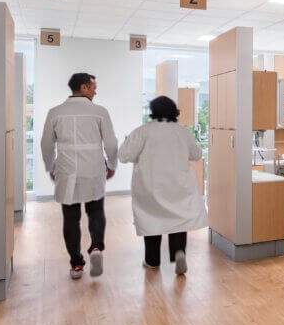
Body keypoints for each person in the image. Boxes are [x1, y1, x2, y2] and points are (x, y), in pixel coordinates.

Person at [118, 95, 207, 275]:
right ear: (174, 111)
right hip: (179, 186)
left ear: (153, 112)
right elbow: (196, 154)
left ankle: (152, 260)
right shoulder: (183, 131)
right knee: (179, 220)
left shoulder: (142, 131)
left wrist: (129, 143)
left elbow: (124, 156)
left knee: (152, 220)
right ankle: (179, 252)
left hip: (150, 186)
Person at [41, 73, 118, 279]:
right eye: (93, 87)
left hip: (66, 171)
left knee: (70, 218)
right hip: (93, 169)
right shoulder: (100, 112)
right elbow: (111, 143)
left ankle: (76, 264)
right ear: (83, 87)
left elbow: (46, 145)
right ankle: (95, 248)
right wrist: (111, 164)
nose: (95, 91)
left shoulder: (54, 112)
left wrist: (50, 167)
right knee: (96, 211)